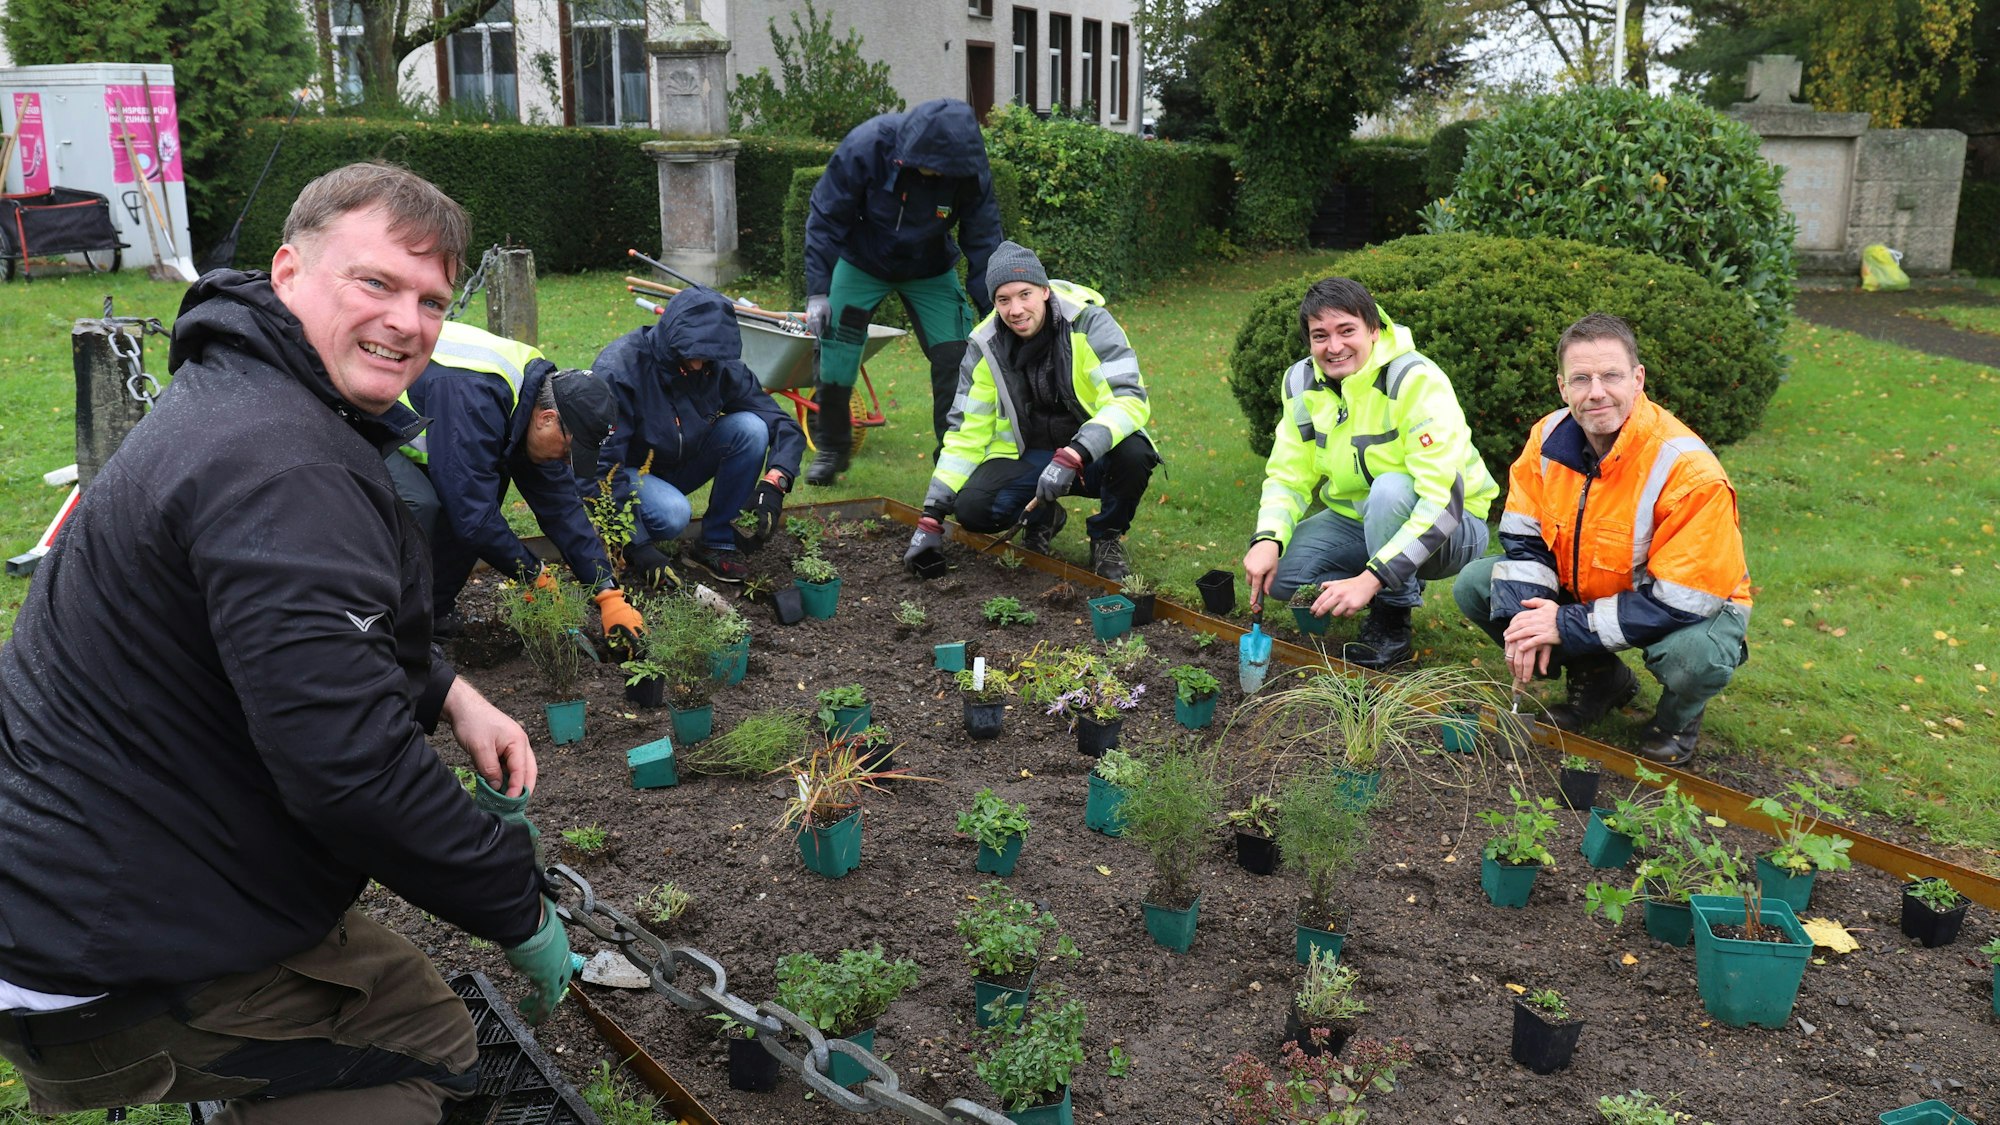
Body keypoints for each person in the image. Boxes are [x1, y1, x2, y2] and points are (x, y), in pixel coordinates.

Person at [0, 163, 570, 1124]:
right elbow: (353, 774)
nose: (407, 322)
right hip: (100, 951)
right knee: (430, 1047)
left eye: (432, 300)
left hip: (80, 864)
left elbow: (289, 624)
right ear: (288, 269)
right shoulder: (286, 464)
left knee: (393, 994)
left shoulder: (245, 391)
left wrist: (450, 692)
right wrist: (519, 907)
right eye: (376, 282)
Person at [1453, 313, 1751, 766]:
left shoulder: (1688, 470)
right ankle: (1599, 680)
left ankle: (1676, 719)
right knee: (1478, 584)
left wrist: (1565, 624)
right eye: (1581, 379)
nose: (1596, 392)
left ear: (1637, 379)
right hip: (1596, 589)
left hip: (1693, 605)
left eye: (1611, 376)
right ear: (1562, 387)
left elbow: (1684, 599)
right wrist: (1528, 618)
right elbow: (1525, 539)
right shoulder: (1546, 439)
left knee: (1695, 657)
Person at [1242, 277, 1497, 669]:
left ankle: (1392, 616)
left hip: (1455, 526)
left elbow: (1443, 502)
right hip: (1361, 519)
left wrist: (1372, 579)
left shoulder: (1414, 381)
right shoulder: (1300, 383)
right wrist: (1268, 539)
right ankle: (1393, 570)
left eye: (1347, 331)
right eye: (1320, 336)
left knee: (1390, 490)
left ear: (1374, 329)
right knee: (1281, 577)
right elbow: (1288, 474)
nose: (1334, 347)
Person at [904, 240, 1156, 582]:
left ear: (1045, 291)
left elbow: (1128, 398)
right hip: (1031, 456)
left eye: (1025, 295)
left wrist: (1075, 453)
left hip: (1092, 456)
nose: (1016, 310)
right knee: (973, 509)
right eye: (1003, 300)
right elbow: (965, 434)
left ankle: (1106, 536)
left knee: (1135, 453)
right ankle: (1043, 516)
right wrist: (930, 517)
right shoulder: (985, 347)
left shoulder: (1090, 323)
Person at [386, 320, 644, 644]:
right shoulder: (476, 398)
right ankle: (388, 621)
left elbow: (562, 508)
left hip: (433, 424)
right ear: (547, 419)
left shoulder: (531, 398)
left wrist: (608, 593)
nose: (566, 461)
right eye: (568, 451)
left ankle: (432, 615)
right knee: (423, 503)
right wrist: (532, 573)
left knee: (478, 498)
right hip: (363, 418)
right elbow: (471, 514)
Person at [803, 97, 1004, 485]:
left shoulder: (969, 167)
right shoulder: (867, 146)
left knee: (956, 355)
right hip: (863, 262)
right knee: (836, 351)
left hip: (930, 267)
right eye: (932, 167)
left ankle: (953, 457)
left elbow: (984, 236)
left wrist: (994, 304)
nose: (938, 175)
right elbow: (826, 216)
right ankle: (831, 448)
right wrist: (818, 291)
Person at [588, 284, 805, 585]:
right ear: (672, 341)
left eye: (707, 357)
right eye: (692, 355)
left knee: (751, 429)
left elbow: (780, 422)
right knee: (674, 515)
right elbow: (600, 468)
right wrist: (638, 545)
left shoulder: (716, 368)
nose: (699, 365)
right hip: (629, 474)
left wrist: (776, 480)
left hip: (680, 463)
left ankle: (716, 544)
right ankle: (616, 538)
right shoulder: (619, 371)